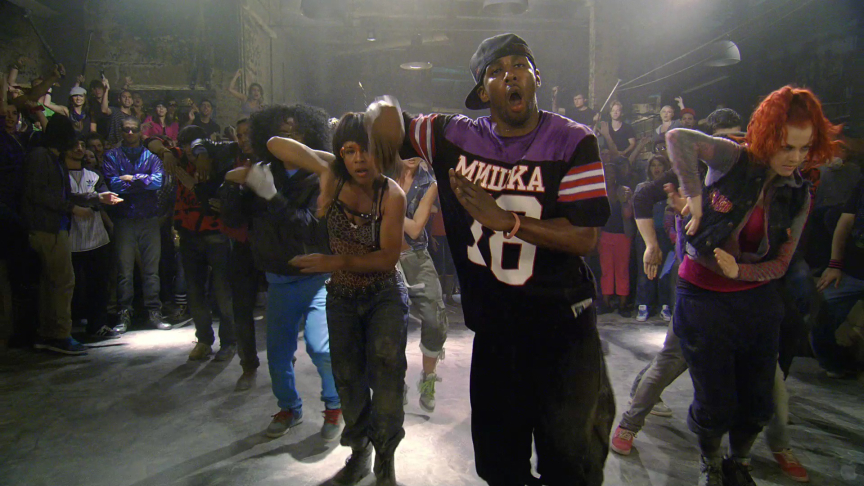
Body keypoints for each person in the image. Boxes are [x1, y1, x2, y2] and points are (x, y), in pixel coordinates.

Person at [373, 33, 616, 485]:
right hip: (496, 331)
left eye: (520, 65)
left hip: (562, 329)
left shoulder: (573, 140)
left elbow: (584, 236)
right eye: (496, 71)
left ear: (536, 77)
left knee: (571, 464)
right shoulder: (450, 134)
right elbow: (388, 122)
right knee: (499, 465)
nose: (510, 76)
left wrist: (508, 222)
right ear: (483, 93)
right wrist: (379, 114)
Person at [665, 86, 838, 485]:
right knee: (714, 399)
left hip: (755, 297)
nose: (795, 158)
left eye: (804, 148)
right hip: (702, 296)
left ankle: (739, 462)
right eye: (787, 146)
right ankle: (711, 463)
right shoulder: (735, 157)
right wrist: (695, 197)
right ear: (768, 136)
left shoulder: (798, 192)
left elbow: (780, 264)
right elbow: (677, 138)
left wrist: (738, 271)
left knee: (759, 399)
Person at [262, 111, 409, 485]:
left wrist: (335, 261)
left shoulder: (392, 194)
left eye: (368, 150)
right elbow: (275, 144)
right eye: (350, 151)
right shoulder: (334, 175)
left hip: (383, 294)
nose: (360, 159)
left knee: (387, 376)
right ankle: (360, 453)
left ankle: (385, 460)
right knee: (347, 379)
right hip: (342, 296)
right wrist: (325, 164)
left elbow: (387, 258)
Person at [221, 105, 344, 442]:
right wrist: (233, 186)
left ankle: (334, 406)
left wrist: (273, 196)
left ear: (310, 136)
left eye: (297, 132)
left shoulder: (322, 176)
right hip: (278, 279)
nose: (289, 138)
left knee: (322, 349)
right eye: (282, 133)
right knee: (277, 355)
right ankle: (289, 408)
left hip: (317, 279)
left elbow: (310, 230)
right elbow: (232, 220)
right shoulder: (262, 172)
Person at [22, 115, 121, 354]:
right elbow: (38, 193)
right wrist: (72, 208)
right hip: (47, 228)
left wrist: (96, 197)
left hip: (54, 227)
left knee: (54, 282)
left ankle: (49, 333)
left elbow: (63, 194)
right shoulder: (41, 156)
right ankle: (59, 335)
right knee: (62, 282)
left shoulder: (52, 158)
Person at [167, 126, 237, 361]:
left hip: (216, 232)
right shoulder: (178, 159)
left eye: (193, 144)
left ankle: (229, 342)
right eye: (185, 145)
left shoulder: (216, 160)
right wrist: (166, 153)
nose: (189, 150)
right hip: (188, 233)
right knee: (195, 291)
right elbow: (153, 143)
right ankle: (204, 340)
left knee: (223, 291)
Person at [102, 117, 168, 332]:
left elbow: (158, 182)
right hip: (124, 218)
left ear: (140, 131)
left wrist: (131, 178)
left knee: (151, 270)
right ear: (121, 132)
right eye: (126, 129)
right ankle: (124, 313)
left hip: (148, 218)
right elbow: (114, 185)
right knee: (124, 271)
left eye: (133, 130)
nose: (130, 133)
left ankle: (154, 311)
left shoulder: (151, 156)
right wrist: (143, 180)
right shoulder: (112, 156)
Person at [397, 155, 448, 412]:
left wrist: (386, 208)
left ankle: (428, 378)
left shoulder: (429, 182)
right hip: (382, 254)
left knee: (435, 319)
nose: (410, 155)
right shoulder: (380, 172)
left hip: (415, 255)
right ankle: (395, 381)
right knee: (389, 323)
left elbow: (416, 229)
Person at [217, 118, 262, 391]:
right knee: (242, 309)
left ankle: (284, 355)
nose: (244, 139)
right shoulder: (230, 161)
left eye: (248, 134)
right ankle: (248, 365)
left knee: (280, 309)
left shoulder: (273, 163)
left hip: (269, 245)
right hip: (243, 246)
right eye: (240, 134)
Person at [65, 138, 120, 339]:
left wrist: (100, 198)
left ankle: (98, 324)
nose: (79, 148)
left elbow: (104, 196)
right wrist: (93, 198)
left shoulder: (94, 174)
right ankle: (68, 328)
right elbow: (66, 198)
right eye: (74, 145)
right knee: (71, 286)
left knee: (98, 283)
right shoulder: (60, 174)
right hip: (70, 237)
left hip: (96, 236)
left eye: (82, 145)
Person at [814, 179, 864, 377]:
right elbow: (845, 222)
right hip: (852, 268)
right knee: (819, 313)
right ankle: (834, 365)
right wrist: (835, 264)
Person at [634, 154, 675, 322]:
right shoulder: (642, 187)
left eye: (660, 165)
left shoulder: (671, 187)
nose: (656, 168)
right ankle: (644, 305)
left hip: (666, 234)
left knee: (665, 271)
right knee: (645, 270)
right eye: (653, 165)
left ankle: (665, 305)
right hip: (645, 235)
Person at [597, 163, 634, 316]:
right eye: (606, 172)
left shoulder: (624, 190)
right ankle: (605, 303)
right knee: (606, 270)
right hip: (604, 234)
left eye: (612, 172)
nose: (609, 175)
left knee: (622, 270)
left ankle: (623, 304)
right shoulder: (599, 191)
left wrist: (625, 200)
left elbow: (628, 215)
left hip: (622, 235)